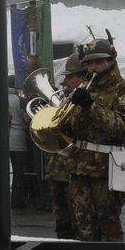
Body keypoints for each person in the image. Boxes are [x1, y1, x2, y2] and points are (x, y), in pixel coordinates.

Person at [58, 37, 125, 242]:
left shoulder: (124, 89)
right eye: (90, 63)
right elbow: (71, 129)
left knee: (108, 225)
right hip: (79, 167)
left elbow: (122, 128)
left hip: (105, 168)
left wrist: (90, 106)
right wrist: (62, 118)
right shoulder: (86, 88)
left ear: (110, 61)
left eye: (98, 62)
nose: (93, 67)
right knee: (82, 225)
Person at [45, 58, 85, 239]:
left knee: (77, 215)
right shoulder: (63, 100)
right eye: (65, 81)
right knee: (61, 216)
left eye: (69, 79)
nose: (66, 85)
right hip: (56, 167)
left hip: (74, 166)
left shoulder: (81, 102)